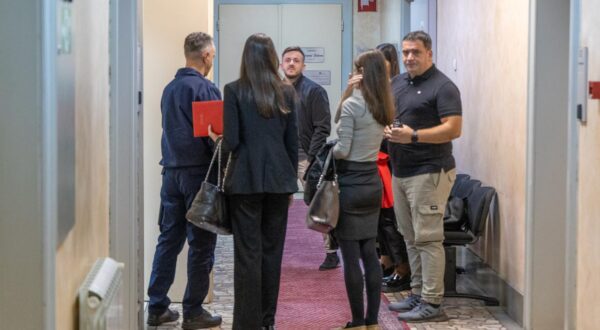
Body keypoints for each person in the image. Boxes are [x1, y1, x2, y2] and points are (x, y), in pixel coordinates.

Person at [219, 33, 298, 330]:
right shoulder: (287, 92)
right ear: (272, 58)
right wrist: (291, 182)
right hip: (279, 181)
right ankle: (267, 321)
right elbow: (293, 144)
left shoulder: (234, 90)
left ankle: (246, 323)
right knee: (272, 253)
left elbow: (232, 141)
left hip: (245, 181)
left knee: (247, 254)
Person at [146, 32, 222, 329]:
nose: (212, 60)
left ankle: (157, 306)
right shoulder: (205, 89)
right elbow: (217, 136)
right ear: (205, 56)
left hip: (171, 174)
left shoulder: (169, 89)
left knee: (168, 239)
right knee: (201, 244)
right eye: (212, 56)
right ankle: (193, 310)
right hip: (198, 176)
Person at [385, 31, 462, 322]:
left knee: (428, 238)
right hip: (401, 171)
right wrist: (388, 129)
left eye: (415, 52)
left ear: (429, 53)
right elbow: (390, 115)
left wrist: (413, 136)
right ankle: (417, 292)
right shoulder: (398, 83)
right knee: (409, 235)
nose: (409, 58)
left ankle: (432, 300)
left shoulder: (443, 86)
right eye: (405, 52)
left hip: (430, 171)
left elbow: (454, 128)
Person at [332, 50, 394, 330]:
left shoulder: (353, 106)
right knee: (369, 251)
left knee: (349, 254)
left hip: (351, 184)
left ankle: (357, 320)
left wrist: (329, 151)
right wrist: (349, 90)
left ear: (362, 73)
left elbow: (343, 149)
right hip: (372, 182)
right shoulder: (383, 105)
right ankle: (372, 320)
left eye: (356, 70)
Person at [280, 46, 339, 271]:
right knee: (276, 207)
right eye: (288, 60)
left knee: (319, 205)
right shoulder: (274, 91)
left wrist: (313, 159)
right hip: (281, 159)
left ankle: (332, 253)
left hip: (307, 158)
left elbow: (322, 128)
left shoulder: (314, 91)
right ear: (281, 64)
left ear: (304, 66)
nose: (292, 64)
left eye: (296, 60)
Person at [374, 43, 411, 293]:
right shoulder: (378, 88)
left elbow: (395, 122)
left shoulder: (397, 88)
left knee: (390, 220)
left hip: (391, 160)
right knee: (380, 218)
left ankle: (402, 268)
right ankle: (386, 261)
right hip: (375, 159)